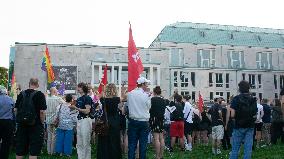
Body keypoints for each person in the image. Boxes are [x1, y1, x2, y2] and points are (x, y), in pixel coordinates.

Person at [15, 78, 47, 159]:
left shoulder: (21, 94)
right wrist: (42, 122)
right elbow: (42, 112)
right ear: (37, 84)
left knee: (20, 150)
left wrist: (19, 119)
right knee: (33, 151)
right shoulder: (40, 95)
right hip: (35, 126)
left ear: (29, 83)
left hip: (21, 125)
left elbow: (15, 109)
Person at [229, 80, 257, 159]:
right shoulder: (253, 99)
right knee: (248, 149)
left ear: (239, 89)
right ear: (248, 88)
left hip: (238, 125)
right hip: (250, 126)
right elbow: (255, 114)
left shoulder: (236, 99)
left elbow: (232, 115)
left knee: (235, 148)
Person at [97, 83, 124, 159]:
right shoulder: (117, 99)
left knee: (104, 141)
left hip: (105, 121)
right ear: (115, 90)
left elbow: (99, 95)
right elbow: (123, 97)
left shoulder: (103, 99)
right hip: (115, 122)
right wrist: (122, 88)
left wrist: (102, 87)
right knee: (114, 141)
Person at [127, 77, 151, 159]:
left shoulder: (130, 94)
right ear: (143, 84)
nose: (147, 86)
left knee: (132, 145)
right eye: (146, 84)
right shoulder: (146, 95)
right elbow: (149, 107)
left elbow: (128, 106)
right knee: (143, 145)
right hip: (143, 121)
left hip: (133, 121)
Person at [69, 83, 92, 159]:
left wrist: (76, 108)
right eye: (78, 86)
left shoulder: (87, 98)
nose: (78, 88)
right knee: (79, 142)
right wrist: (71, 107)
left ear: (84, 88)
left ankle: (87, 157)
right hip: (79, 121)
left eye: (79, 87)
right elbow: (75, 109)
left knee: (86, 142)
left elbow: (87, 111)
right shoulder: (79, 99)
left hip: (85, 120)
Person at [46, 87, 64, 155]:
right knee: (55, 136)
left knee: (49, 136)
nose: (57, 92)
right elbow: (66, 104)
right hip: (55, 120)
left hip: (48, 119)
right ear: (53, 92)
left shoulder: (46, 98)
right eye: (56, 91)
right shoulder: (58, 98)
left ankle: (49, 151)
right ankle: (53, 151)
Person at [149, 86, 166, 159]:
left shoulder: (152, 99)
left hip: (154, 119)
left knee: (156, 138)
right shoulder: (163, 100)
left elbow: (149, 109)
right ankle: (161, 155)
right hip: (161, 119)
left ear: (154, 92)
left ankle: (157, 156)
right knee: (161, 138)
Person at [0, 86, 14, 159]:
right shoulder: (10, 99)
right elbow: (14, 110)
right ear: (5, 92)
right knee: (6, 142)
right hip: (8, 122)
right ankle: (4, 157)